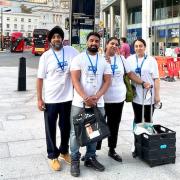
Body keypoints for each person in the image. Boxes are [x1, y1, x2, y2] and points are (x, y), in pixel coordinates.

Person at [97, 37, 150, 162]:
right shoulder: (99, 58)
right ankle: (93, 150)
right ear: (106, 45)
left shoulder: (121, 59)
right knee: (98, 125)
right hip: (102, 99)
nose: (114, 46)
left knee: (114, 125)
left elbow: (130, 74)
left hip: (118, 99)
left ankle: (112, 149)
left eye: (117, 44)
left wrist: (143, 83)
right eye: (112, 43)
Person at [36, 26, 79, 171]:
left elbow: (84, 59)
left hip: (67, 98)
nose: (56, 39)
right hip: (51, 99)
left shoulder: (71, 51)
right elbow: (40, 79)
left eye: (59, 37)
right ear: (50, 40)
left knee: (66, 127)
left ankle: (64, 151)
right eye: (54, 37)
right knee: (51, 129)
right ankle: (53, 155)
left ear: (62, 39)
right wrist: (39, 99)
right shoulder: (46, 56)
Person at [70, 32, 111, 177]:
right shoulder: (78, 59)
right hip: (79, 103)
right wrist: (85, 97)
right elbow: (74, 80)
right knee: (76, 132)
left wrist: (97, 96)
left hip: (97, 103)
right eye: (91, 40)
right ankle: (74, 159)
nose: (94, 43)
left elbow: (107, 80)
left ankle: (90, 157)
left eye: (96, 41)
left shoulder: (104, 61)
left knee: (94, 131)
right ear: (87, 42)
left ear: (100, 43)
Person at [126, 38, 160, 155]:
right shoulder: (130, 59)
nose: (138, 48)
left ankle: (148, 143)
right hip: (136, 96)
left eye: (141, 46)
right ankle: (136, 143)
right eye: (136, 46)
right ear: (133, 48)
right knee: (137, 119)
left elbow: (156, 79)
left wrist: (157, 96)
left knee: (148, 120)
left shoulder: (151, 60)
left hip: (149, 96)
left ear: (145, 47)